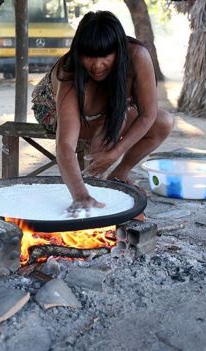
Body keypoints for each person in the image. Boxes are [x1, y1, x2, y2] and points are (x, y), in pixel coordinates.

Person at [31, 10, 174, 215]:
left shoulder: (137, 56)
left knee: (164, 122)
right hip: (51, 109)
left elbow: (148, 115)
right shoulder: (69, 75)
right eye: (89, 57)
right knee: (106, 132)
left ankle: (119, 176)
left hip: (108, 110)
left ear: (119, 51)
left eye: (105, 56)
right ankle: (93, 190)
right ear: (80, 53)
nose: (97, 65)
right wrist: (80, 194)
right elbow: (65, 145)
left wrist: (115, 154)